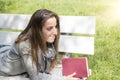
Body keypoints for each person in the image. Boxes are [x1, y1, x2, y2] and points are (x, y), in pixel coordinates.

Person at [0, 9, 81, 80]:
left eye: (56, 27)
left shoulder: (46, 41)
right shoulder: (25, 45)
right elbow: (36, 77)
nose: (55, 32)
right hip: (4, 73)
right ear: (37, 30)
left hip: (22, 70)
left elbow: (45, 71)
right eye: (49, 28)